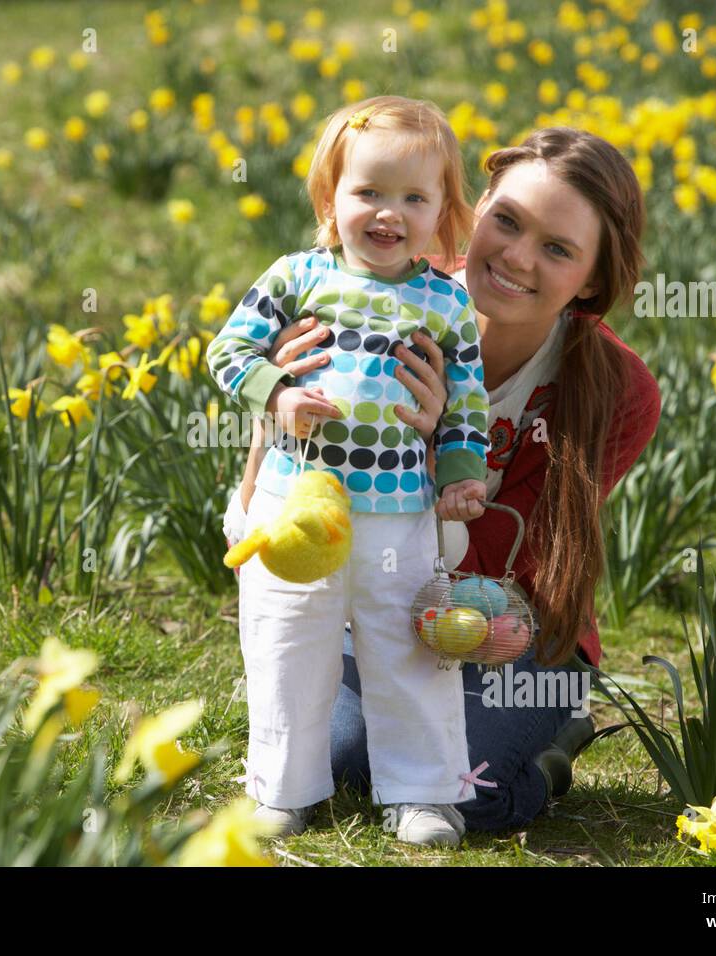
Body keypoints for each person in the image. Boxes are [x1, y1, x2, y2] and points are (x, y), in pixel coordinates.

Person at [224, 126, 662, 834]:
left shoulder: (618, 390)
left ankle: (555, 739)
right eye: (508, 221)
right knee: (335, 762)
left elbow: (513, 565)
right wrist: (277, 396)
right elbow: (260, 497)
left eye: (557, 249)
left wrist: (436, 449)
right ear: (477, 205)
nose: (517, 257)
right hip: (364, 603)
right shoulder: (371, 291)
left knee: (465, 791)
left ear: (593, 280)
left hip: (509, 631)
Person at [206, 95, 492, 846]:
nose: (388, 213)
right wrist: (278, 391)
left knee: (407, 646)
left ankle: (424, 793)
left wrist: (462, 474)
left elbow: (465, 402)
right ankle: (280, 788)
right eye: (368, 191)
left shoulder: (446, 303)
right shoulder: (295, 276)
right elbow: (227, 352)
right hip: (294, 503)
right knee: (283, 641)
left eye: (413, 198)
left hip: (398, 511)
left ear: (443, 214)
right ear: (331, 195)